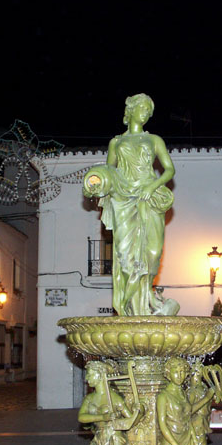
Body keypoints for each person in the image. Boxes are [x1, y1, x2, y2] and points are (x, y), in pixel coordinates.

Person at [83, 93, 179, 316]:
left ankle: (147, 300)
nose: (146, 112)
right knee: (126, 257)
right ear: (132, 110)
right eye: (143, 108)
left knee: (153, 253)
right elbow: (109, 173)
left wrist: (152, 186)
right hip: (124, 200)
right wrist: (94, 184)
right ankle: (129, 307)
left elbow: (169, 170)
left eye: (149, 110)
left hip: (149, 197)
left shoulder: (154, 140)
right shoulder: (117, 142)